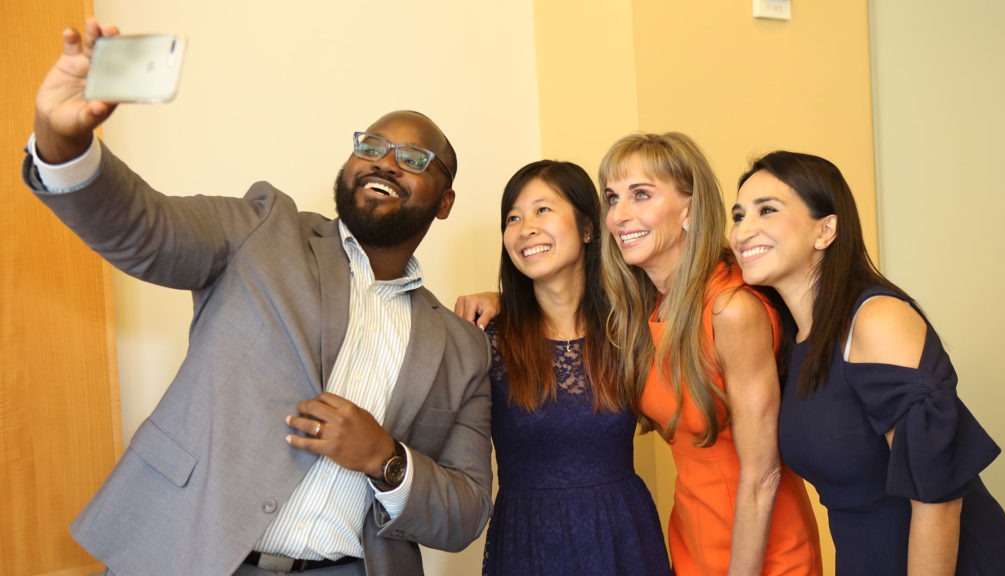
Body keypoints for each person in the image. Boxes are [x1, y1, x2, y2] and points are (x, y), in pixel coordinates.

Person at [23, 19, 493, 576]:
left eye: (414, 159)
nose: (385, 162)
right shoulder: (265, 228)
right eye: (371, 145)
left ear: (445, 202)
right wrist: (64, 141)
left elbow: (464, 513)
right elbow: (143, 227)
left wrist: (385, 458)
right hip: (189, 555)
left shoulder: (464, 349)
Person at [729, 150, 1005, 575]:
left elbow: (937, 498)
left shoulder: (876, 319)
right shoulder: (795, 342)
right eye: (738, 216)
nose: (743, 231)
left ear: (826, 230)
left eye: (767, 210)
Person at [599, 133, 821, 576]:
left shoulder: (730, 307)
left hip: (764, 552)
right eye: (611, 198)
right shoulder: (645, 306)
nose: (620, 216)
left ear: (689, 209)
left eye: (640, 194)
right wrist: (498, 302)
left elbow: (763, 474)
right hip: (690, 541)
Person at [469, 160, 671, 576]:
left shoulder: (631, 327)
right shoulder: (488, 339)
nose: (525, 227)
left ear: (587, 228)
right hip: (530, 544)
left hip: (623, 537)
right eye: (513, 217)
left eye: (542, 210)